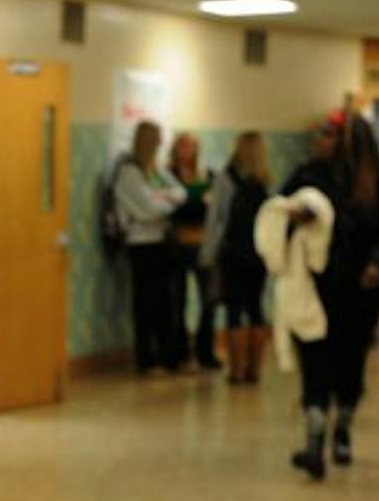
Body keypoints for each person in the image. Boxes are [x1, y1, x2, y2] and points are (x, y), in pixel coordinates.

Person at [280, 113, 379, 478]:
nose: (322, 140)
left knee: (350, 365)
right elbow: (278, 213)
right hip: (316, 287)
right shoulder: (308, 175)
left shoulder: (377, 186)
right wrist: (294, 220)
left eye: (331, 134)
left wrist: (378, 263)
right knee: (315, 360)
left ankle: (342, 429)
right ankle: (315, 440)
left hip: (360, 291)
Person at [115, 120, 189, 376]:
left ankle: (168, 356)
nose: (160, 143)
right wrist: (163, 200)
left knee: (165, 302)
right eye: (156, 138)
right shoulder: (129, 172)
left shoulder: (155, 171)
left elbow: (180, 193)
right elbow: (147, 210)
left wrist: (164, 199)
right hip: (141, 245)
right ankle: (147, 359)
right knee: (145, 303)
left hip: (160, 242)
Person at [205, 131, 272, 384]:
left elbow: (216, 219)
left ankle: (236, 369)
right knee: (256, 309)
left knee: (234, 310)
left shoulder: (226, 179)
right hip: (259, 254)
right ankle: (254, 369)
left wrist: (208, 253)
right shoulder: (265, 182)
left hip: (232, 253)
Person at [167, 132, 220, 371]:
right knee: (177, 298)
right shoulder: (168, 176)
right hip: (178, 242)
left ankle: (205, 350)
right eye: (182, 147)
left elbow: (214, 206)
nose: (186, 152)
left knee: (209, 298)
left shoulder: (207, 175)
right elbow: (173, 207)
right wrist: (196, 202)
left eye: (191, 147)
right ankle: (179, 351)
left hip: (203, 241)